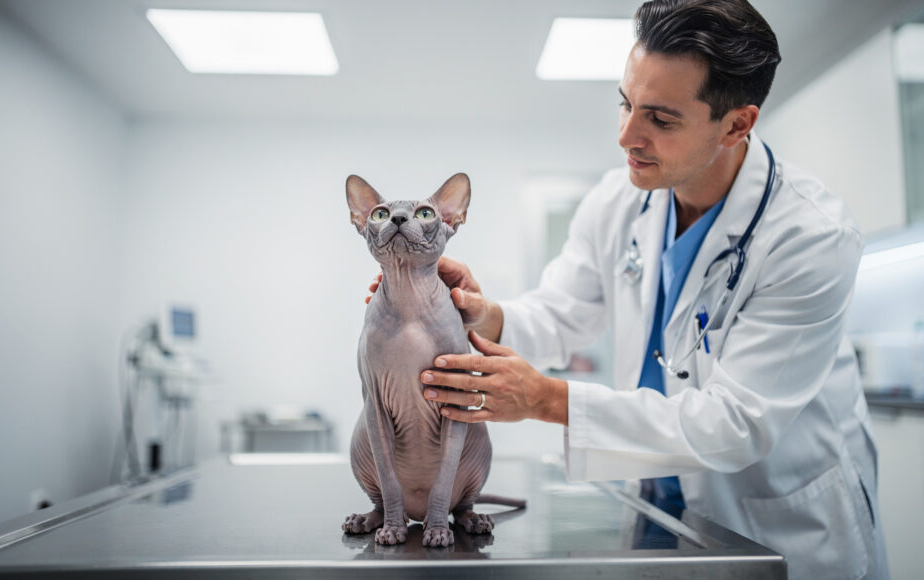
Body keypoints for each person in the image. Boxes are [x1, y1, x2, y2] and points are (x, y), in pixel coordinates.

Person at [370, 1, 888, 577]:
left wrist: (547, 399)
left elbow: (735, 424)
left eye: (660, 120)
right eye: (625, 103)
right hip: (661, 505)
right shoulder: (618, 201)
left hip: (776, 523)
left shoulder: (810, 237)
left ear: (736, 125)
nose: (625, 137)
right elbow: (562, 312)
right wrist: (481, 313)